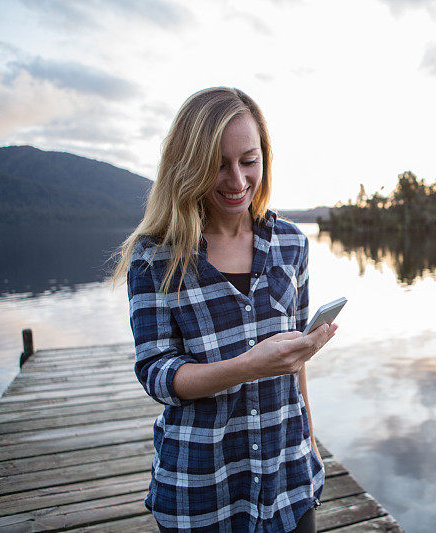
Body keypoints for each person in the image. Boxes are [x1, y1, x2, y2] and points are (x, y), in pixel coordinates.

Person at [113, 87, 335, 532]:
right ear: (188, 165)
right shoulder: (154, 257)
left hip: (288, 475)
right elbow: (157, 375)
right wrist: (248, 366)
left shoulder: (292, 244)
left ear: (264, 159)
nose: (236, 181)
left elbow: (294, 359)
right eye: (217, 164)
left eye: (248, 161)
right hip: (201, 487)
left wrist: (308, 433)